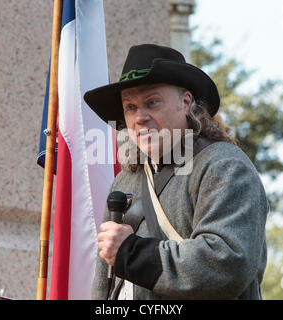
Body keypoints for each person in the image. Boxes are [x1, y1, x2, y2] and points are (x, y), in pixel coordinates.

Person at [83, 44, 269, 300]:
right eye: (130, 107)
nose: (140, 117)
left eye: (152, 102)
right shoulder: (125, 180)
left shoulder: (224, 166)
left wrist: (132, 253)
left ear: (185, 102)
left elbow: (226, 262)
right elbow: (106, 282)